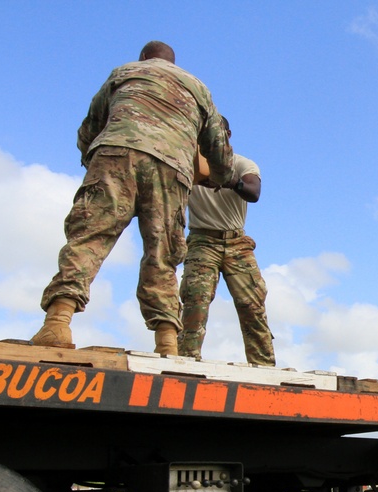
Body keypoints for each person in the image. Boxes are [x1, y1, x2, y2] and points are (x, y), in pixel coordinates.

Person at [31, 41, 233, 355]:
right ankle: (166, 341)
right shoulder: (198, 88)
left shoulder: (124, 72)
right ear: (174, 63)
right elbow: (218, 146)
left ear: (143, 58)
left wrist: (93, 161)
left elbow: (89, 128)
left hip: (116, 152)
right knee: (163, 252)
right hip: (171, 166)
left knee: (89, 236)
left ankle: (58, 321)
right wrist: (218, 177)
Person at [179, 119, 274, 366]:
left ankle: (263, 365)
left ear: (227, 135)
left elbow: (253, 193)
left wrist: (227, 179)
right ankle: (186, 361)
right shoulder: (188, 165)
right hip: (202, 241)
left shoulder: (241, 164)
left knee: (251, 305)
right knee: (195, 302)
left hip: (236, 242)